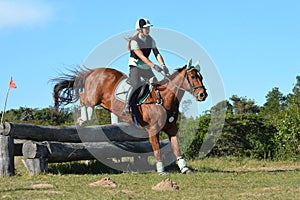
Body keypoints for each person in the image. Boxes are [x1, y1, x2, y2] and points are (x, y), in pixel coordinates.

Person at [123, 18, 169, 114]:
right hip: (135, 65)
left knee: (155, 83)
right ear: (140, 29)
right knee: (136, 84)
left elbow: (157, 53)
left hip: (145, 66)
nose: (148, 30)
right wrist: (154, 66)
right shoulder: (134, 42)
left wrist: (163, 65)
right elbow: (142, 57)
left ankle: (156, 104)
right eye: (145, 28)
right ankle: (127, 106)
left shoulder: (150, 40)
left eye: (148, 28)